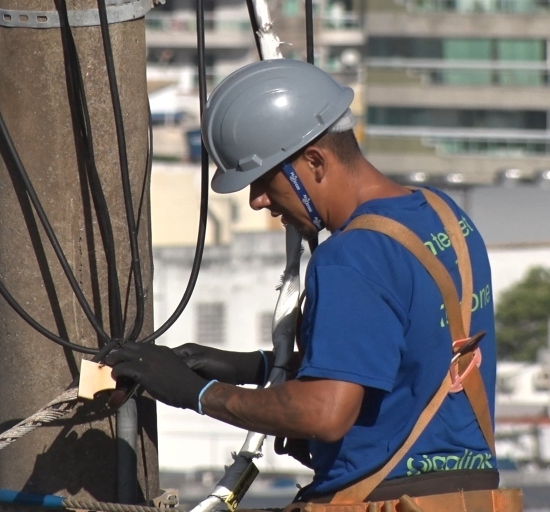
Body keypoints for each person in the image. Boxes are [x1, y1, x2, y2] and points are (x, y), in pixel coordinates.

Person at [104, 59, 501, 506]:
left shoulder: (350, 256)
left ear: (314, 161)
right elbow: (406, 360)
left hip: (385, 497)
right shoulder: (445, 218)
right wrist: (251, 368)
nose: (257, 201)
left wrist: (196, 393)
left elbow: (326, 413)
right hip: (469, 496)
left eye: (264, 181)